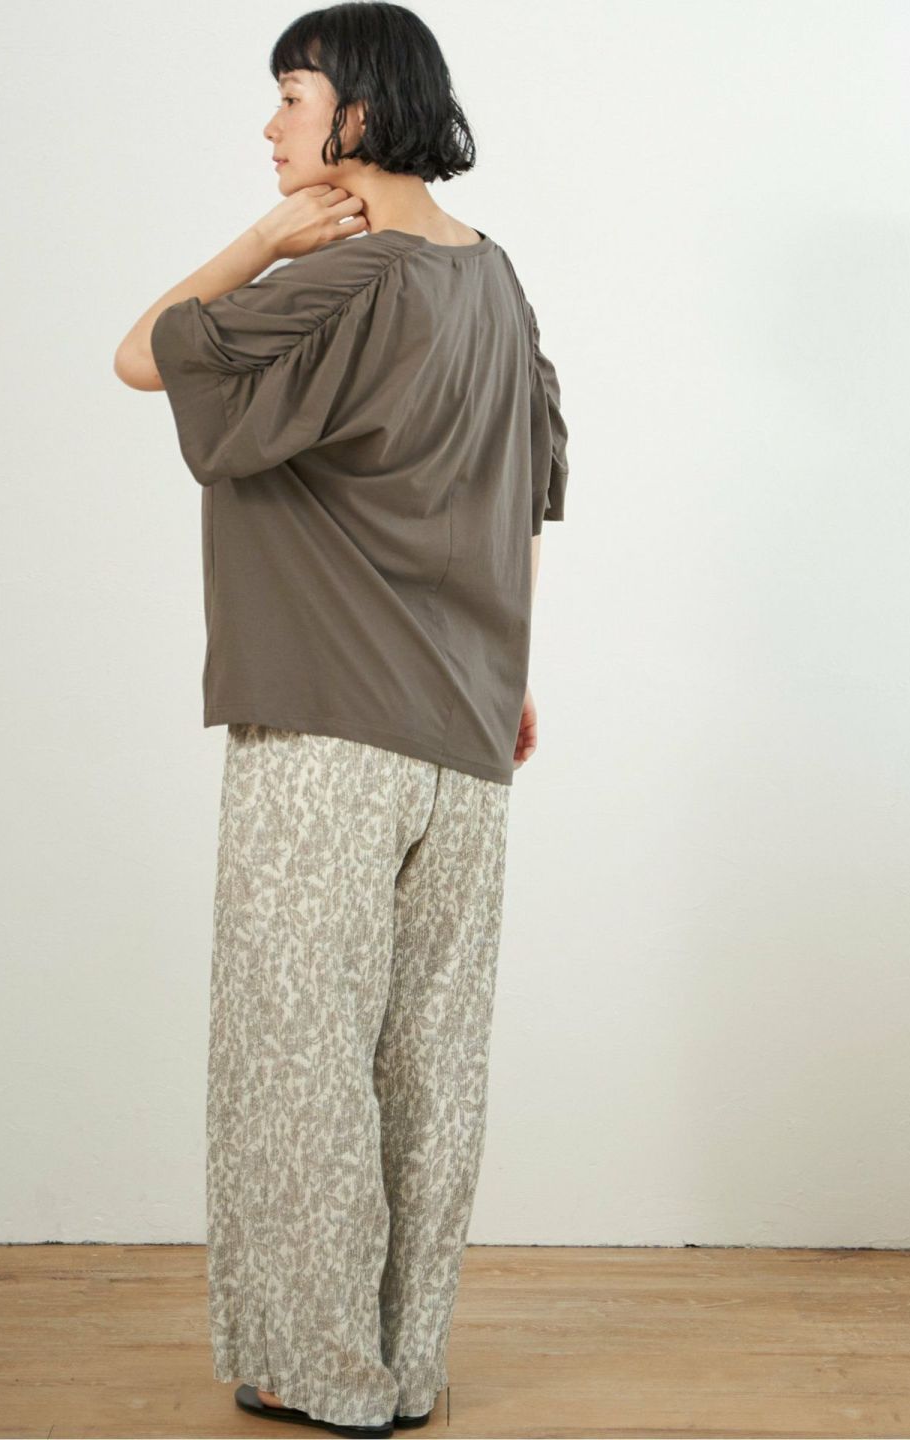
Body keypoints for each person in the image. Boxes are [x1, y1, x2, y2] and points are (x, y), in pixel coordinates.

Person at [114, 4, 569, 1435]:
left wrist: (261, 243)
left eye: (292, 96)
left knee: (297, 1058)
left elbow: (143, 355)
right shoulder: (495, 282)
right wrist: (511, 672)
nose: (271, 126)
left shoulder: (342, 276)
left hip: (324, 730)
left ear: (358, 114)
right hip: (468, 736)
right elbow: (521, 489)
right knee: (428, 1064)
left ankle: (317, 1371)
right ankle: (403, 1365)